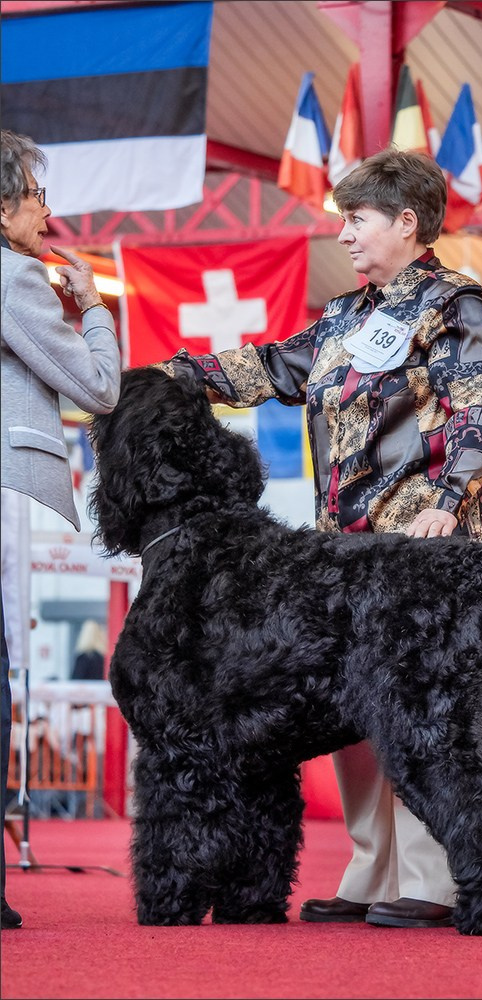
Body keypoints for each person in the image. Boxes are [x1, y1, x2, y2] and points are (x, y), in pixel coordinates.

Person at [155, 147, 482, 928]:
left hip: (426, 550)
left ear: (406, 221)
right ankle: (372, 866)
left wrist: (448, 502)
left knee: (419, 712)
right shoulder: (348, 316)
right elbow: (267, 369)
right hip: (343, 553)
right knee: (354, 703)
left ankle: (434, 873)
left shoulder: (457, 304)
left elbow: (478, 412)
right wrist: (168, 377)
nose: (344, 235)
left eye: (357, 219)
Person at [0, 129, 121, 929]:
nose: (48, 210)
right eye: (37, 194)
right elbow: (98, 389)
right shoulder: (15, 278)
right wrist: (96, 311)